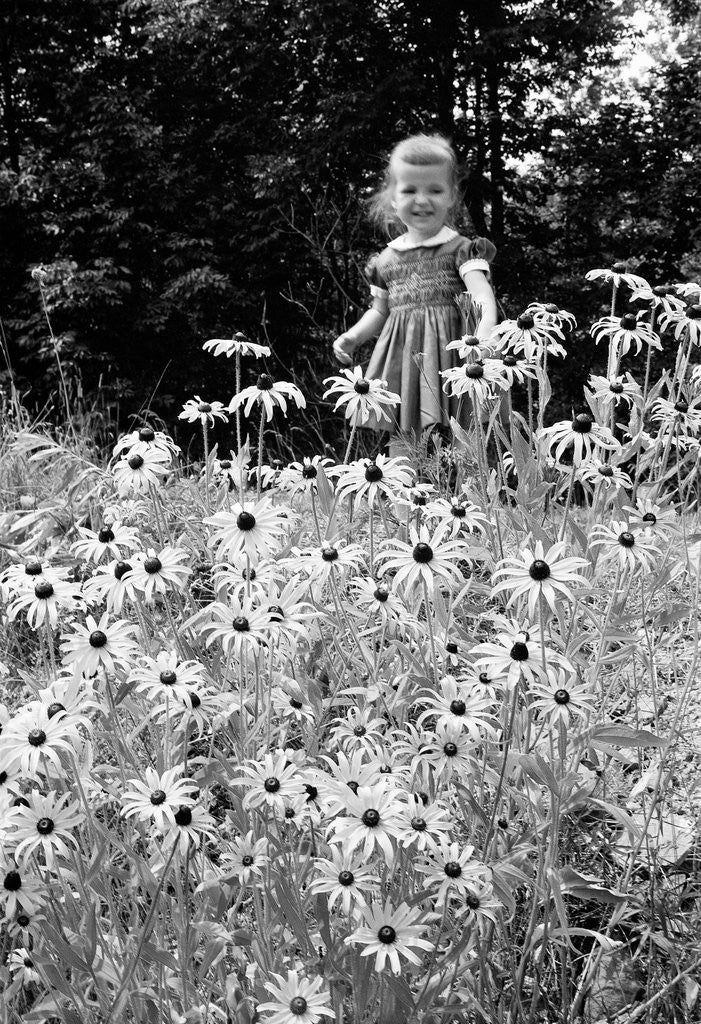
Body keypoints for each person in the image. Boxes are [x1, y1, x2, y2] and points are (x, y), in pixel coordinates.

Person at [332, 133, 498, 443]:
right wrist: (354, 337)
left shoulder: (461, 249)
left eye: (435, 190)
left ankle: (465, 475)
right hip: (403, 363)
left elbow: (482, 298)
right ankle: (404, 476)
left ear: (451, 196)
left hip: (454, 358)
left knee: (464, 439)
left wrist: (485, 338)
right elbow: (379, 311)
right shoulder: (385, 260)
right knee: (403, 436)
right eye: (410, 190)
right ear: (393, 198)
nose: (422, 200)